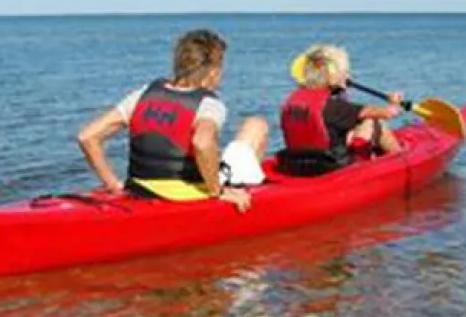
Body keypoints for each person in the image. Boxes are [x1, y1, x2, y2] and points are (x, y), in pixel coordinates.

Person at [76, 29, 268, 212]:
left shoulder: (144, 94)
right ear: (212, 72)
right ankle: (255, 199)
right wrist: (218, 191)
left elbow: (87, 137)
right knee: (257, 126)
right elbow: (202, 143)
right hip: (187, 194)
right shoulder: (208, 103)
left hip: (139, 188)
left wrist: (113, 185)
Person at [275, 44, 402, 177]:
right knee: (373, 122)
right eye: (345, 72)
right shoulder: (336, 107)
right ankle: (400, 158)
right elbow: (386, 113)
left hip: (295, 165)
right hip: (332, 167)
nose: (348, 75)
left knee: (347, 130)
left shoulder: (292, 101)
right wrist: (394, 103)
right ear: (333, 75)